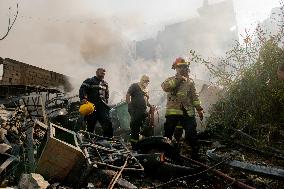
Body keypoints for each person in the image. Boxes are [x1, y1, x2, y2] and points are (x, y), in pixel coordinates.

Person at [161, 57, 204, 159]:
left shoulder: (190, 82)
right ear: (176, 68)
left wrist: (199, 109)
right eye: (180, 67)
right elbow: (165, 87)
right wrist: (178, 79)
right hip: (173, 113)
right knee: (168, 135)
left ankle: (195, 155)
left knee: (191, 133)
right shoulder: (170, 80)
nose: (183, 69)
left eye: (184, 66)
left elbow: (195, 96)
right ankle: (167, 155)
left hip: (187, 112)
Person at [79, 68, 113, 138]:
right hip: (92, 106)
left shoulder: (105, 84)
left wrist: (106, 103)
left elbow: (107, 95)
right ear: (97, 72)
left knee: (107, 122)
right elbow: (82, 89)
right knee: (90, 124)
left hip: (102, 107)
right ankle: (88, 140)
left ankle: (108, 140)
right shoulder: (89, 81)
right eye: (101, 72)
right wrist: (83, 98)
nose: (103, 74)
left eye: (104, 73)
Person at [126, 75, 153, 149]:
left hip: (143, 111)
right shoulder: (135, 86)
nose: (146, 82)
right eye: (145, 81)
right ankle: (134, 146)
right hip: (136, 110)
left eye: (147, 81)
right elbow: (128, 95)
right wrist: (129, 105)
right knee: (135, 128)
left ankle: (143, 144)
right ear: (141, 80)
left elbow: (146, 101)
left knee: (147, 128)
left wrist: (150, 106)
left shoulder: (146, 90)